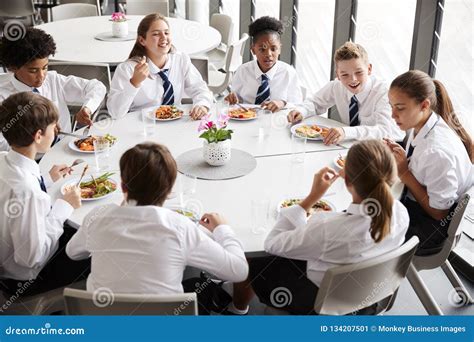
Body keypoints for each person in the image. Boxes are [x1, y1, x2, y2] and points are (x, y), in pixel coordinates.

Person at [226, 140, 409, 315]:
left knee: (251, 260)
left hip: (321, 301)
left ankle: (237, 310)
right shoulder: (402, 213)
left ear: (346, 180)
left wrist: (311, 198)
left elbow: (272, 244)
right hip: (370, 295)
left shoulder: (327, 227)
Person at [66, 142, 248, 313]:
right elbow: (239, 270)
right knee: (201, 286)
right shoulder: (180, 227)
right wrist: (222, 229)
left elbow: (72, 252)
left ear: (122, 186)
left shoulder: (97, 217)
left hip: (103, 327)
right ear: (169, 191)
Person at [0, 92, 90, 298]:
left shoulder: (4, 159)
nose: (56, 131)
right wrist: (64, 207)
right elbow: (32, 258)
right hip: (25, 280)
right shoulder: (28, 193)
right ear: (38, 136)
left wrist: (46, 180)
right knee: (96, 246)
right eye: (53, 127)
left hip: (8, 257)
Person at [385, 70, 473, 253]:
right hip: (419, 209)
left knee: (362, 228)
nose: (393, 115)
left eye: (400, 108)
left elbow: (439, 213)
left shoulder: (436, 151)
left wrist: (405, 173)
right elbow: (423, 167)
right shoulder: (426, 125)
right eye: (391, 106)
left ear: (424, 105)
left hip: (429, 227)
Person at [0, 27, 106, 151]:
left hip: (67, 150)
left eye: (45, 67)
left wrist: (87, 108)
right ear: (13, 67)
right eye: (33, 71)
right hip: (32, 161)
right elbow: (1, 144)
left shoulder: (53, 80)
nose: (41, 76)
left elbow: (97, 87)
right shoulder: (3, 98)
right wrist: (38, 137)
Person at [287, 42, 403, 145]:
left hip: (382, 152)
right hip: (347, 148)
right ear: (337, 74)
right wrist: (301, 111)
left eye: (359, 72)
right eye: (344, 75)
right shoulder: (337, 86)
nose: (353, 79)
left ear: (369, 69)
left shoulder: (383, 93)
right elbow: (315, 102)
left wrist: (346, 132)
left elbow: (386, 131)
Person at [107, 13, 213, 120]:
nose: (164, 38)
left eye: (166, 33)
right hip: (142, 127)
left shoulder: (180, 60)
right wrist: (134, 83)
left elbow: (200, 89)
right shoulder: (127, 69)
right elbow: (115, 113)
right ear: (142, 40)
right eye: (156, 34)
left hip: (174, 124)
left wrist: (202, 105)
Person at [224, 16, 304, 112]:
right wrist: (233, 98)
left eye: (273, 49)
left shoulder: (289, 73)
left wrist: (282, 103)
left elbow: (298, 105)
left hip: (276, 122)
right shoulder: (243, 71)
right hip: (246, 120)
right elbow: (236, 100)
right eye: (262, 49)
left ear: (280, 49)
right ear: (253, 50)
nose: (268, 54)